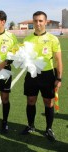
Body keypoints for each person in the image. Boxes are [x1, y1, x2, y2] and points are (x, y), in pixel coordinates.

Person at [21, 11, 63, 142]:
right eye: (35, 21)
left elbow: (58, 61)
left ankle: (48, 129)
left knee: (48, 103)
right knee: (30, 101)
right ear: (32, 22)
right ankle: (30, 126)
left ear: (45, 22)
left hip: (47, 75)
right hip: (31, 75)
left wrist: (59, 78)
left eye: (40, 21)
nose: (38, 23)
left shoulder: (53, 39)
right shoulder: (27, 39)